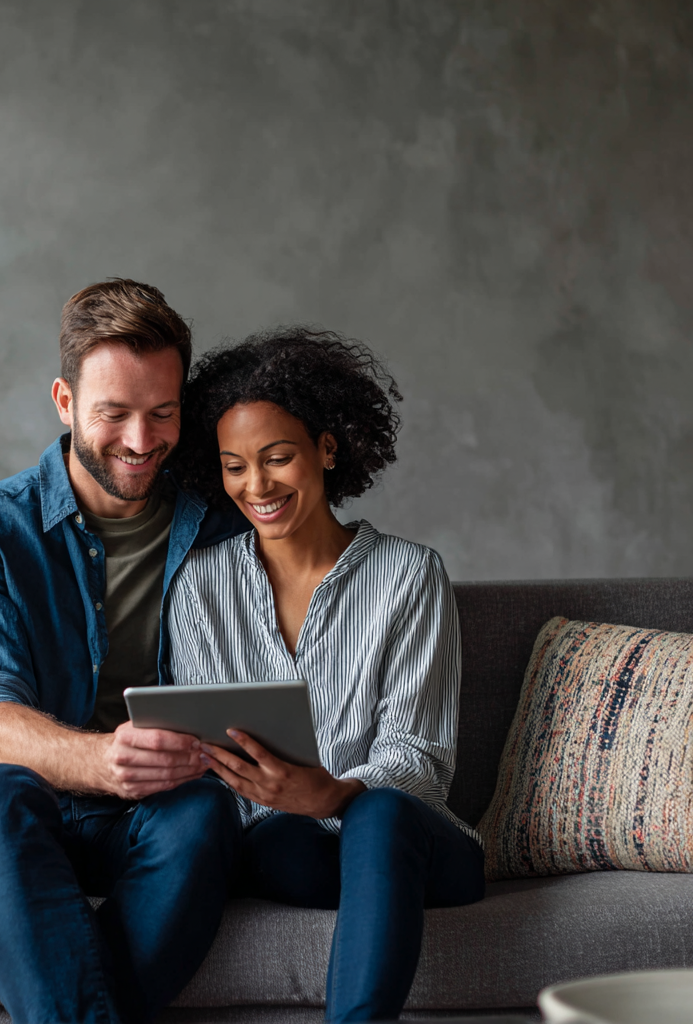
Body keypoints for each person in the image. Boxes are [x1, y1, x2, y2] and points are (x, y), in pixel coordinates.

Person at [0, 279, 247, 1024]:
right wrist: (101, 763)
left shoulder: (222, 523)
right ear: (64, 402)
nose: (140, 441)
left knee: (206, 813)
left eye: (162, 414)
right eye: (113, 414)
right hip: (14, 817)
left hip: (154, 820)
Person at [168, 327, 486, 1023]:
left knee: (376, 811)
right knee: (270, 838)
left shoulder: (409, 575)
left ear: (327, 449)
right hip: (286, 847)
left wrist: (333, 792)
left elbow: (421, 760)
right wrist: (281, 798)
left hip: (414, 841)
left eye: (277, 458)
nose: (256, 486)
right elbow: (207, 750)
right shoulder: (200, 586)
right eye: (234, 466)